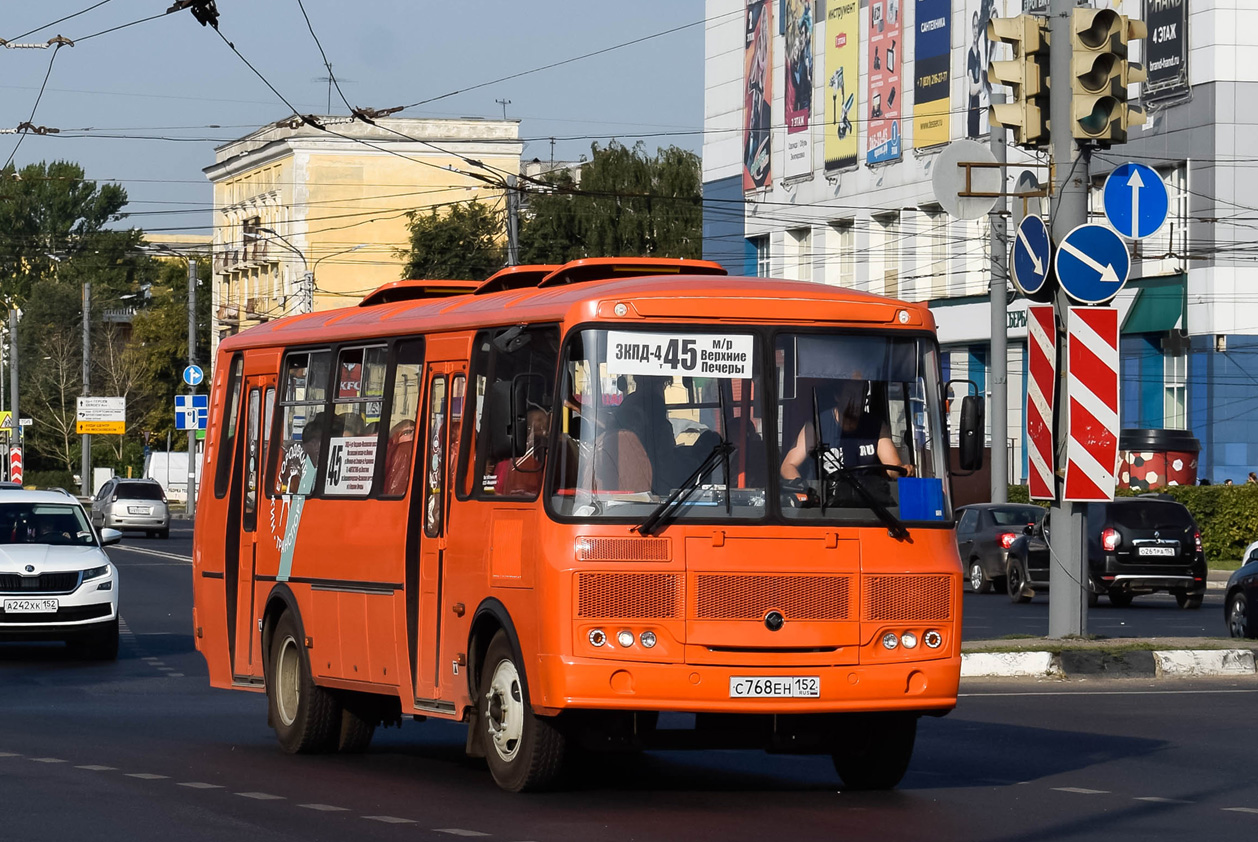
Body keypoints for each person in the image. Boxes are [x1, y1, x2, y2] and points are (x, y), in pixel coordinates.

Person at [780, 379, 910, 484]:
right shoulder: (816, 425)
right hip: (827, 505)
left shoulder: (876, 425)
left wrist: (903, 470)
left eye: (860, 395)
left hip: (869, 503)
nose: (856, 402)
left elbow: (893, 467)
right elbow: (788, 466)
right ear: (837, 396)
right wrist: (805, 490)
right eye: (851, 395)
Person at [494, 408, 550, 497]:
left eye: (546, 421)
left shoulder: (555, 449)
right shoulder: (511, 462)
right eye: (539, 420)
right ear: (528, 426)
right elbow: (499, 493)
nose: (544, 425)